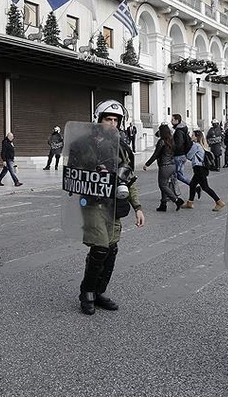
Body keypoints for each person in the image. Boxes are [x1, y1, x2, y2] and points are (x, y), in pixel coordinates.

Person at [72, 100, 145, 315]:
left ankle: (99, 291)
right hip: (93, 203)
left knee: (111, 249)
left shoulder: (122, 147)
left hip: (114, 203)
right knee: (100, 248)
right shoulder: (83, 144)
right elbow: (72, 172)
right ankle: (86, 292)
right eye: (108, 119)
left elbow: (129, 178)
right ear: (99, 120)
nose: (112, 123)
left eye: (115, 120)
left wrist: (138, 207)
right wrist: (94, 171)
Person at [143, 124, 184, 212]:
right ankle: (163, 204)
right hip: (172, 166)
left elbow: (155, 154)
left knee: (162, 185)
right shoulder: (171, 141)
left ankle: (177, 200)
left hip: (164, 166)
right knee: (164, 184)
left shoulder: (161, 141)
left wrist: (147, 164)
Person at [182, 130, 225, 212]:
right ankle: (190, 202)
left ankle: (219, 202)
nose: (191, 137)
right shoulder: (202, 146)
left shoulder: (196, 146)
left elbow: (189, 156)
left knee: (205, 187)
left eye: (193, 135)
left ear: (197, 137)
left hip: (199, 168)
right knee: (192, 184)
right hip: (201, 168)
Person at [171, 113, 193, 187]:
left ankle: (194, 185)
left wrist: (172, 148)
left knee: (178, 175)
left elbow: (179, 144)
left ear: (177, 120)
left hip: (179, 156)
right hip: (182, 155)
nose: (171, 121)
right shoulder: (182, 129)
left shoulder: (179, 131)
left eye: (172, 120)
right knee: (176, 174)